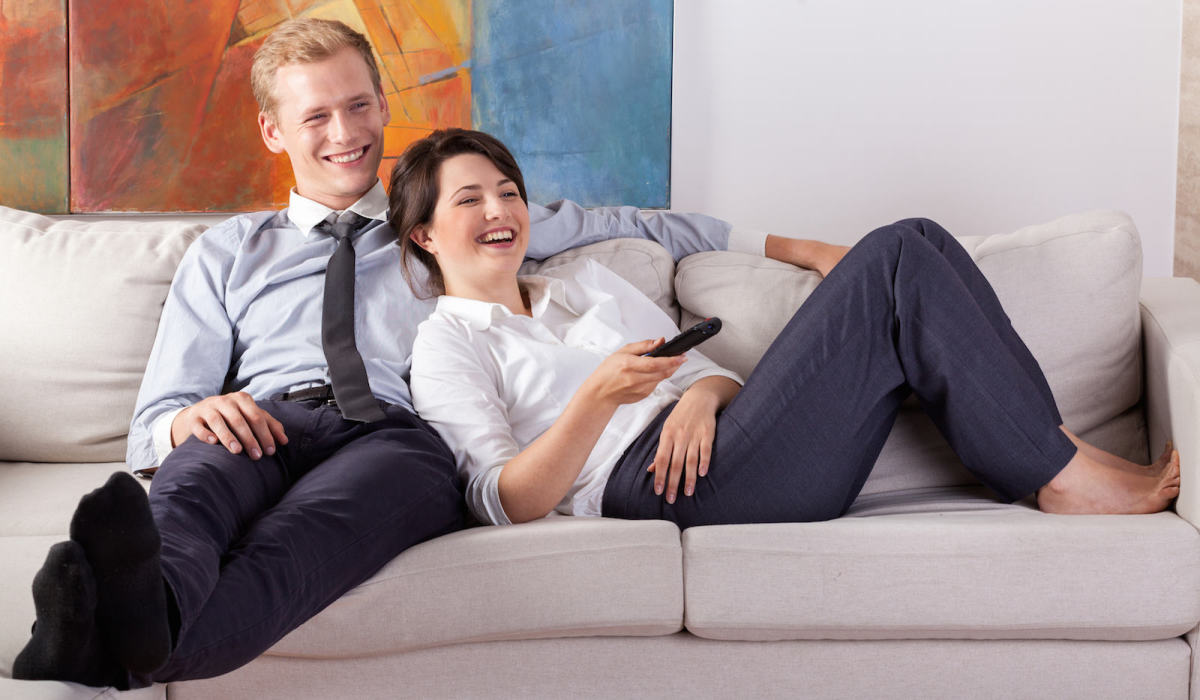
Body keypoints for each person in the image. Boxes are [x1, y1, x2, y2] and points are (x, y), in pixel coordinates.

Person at [11, 19, 828, 688]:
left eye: (358, 106)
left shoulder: (444, 214)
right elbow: (152, 421)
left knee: (303, 542)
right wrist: (191, 416)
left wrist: (793, 244)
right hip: (263, 419)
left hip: (399, 437)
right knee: (190, 488)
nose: (345, 133)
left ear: (379, 103)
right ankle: (142, 605)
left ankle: (109, 642)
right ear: (272, 131)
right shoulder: (227, 253)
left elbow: (639, 224)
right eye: (316, 117)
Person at [397, 128, 1181, 532]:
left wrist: (703, 393)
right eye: (469, 201)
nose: (499, 211)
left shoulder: (579, 283)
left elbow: (700, 370)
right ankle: (1058, 474)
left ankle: (1054, 453)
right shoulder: (446, 344)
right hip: (662, 487)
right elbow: (500, 501)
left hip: (719, 440)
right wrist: (596, 399)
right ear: (425, 235)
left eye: (507, 191)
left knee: (923, 239)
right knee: (897, 252)